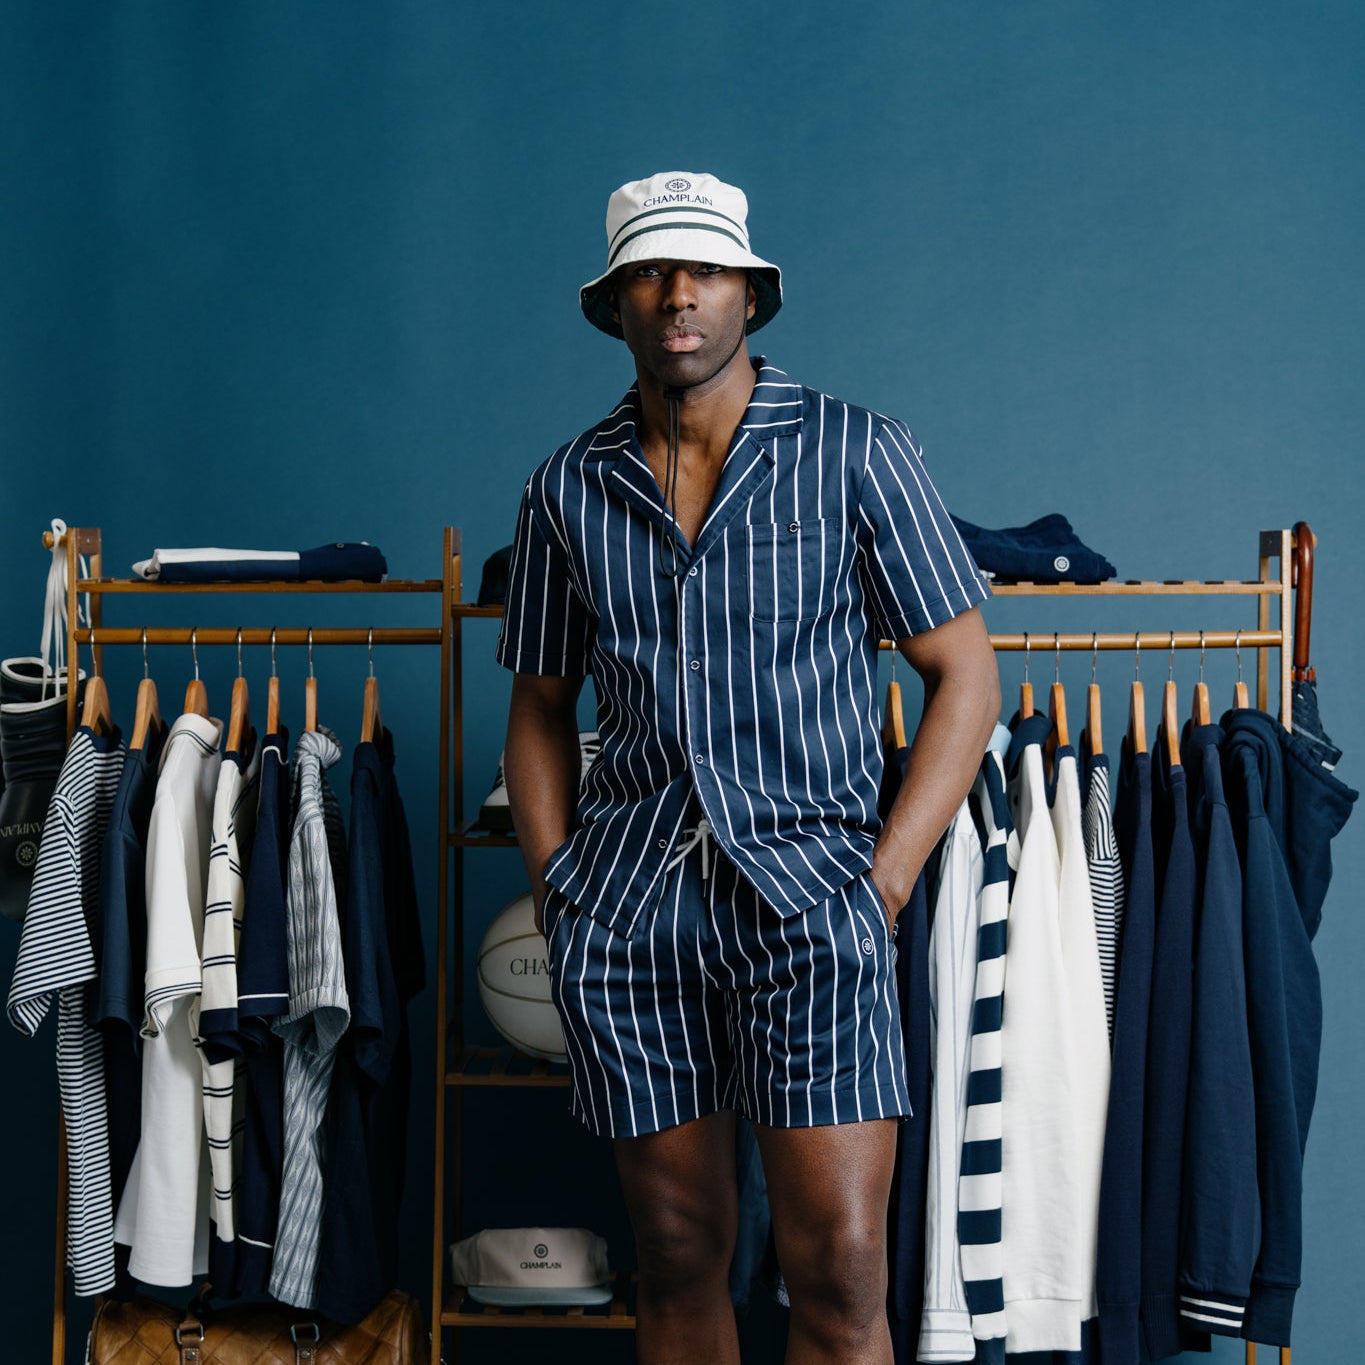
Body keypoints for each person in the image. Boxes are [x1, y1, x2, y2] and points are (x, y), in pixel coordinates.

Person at [496, 171, 1001, 1365]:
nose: (679, 297)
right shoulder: (567, 487)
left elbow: (967, 679)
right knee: (673, 1255)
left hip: (810, 905)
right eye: (652, 274)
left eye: (705, 271)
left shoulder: (859, 453)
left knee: (841, 1268)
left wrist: (878, 887)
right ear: (615, 302)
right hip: (630, 916)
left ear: (751, 295)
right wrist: (564, 886)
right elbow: (539, 709)